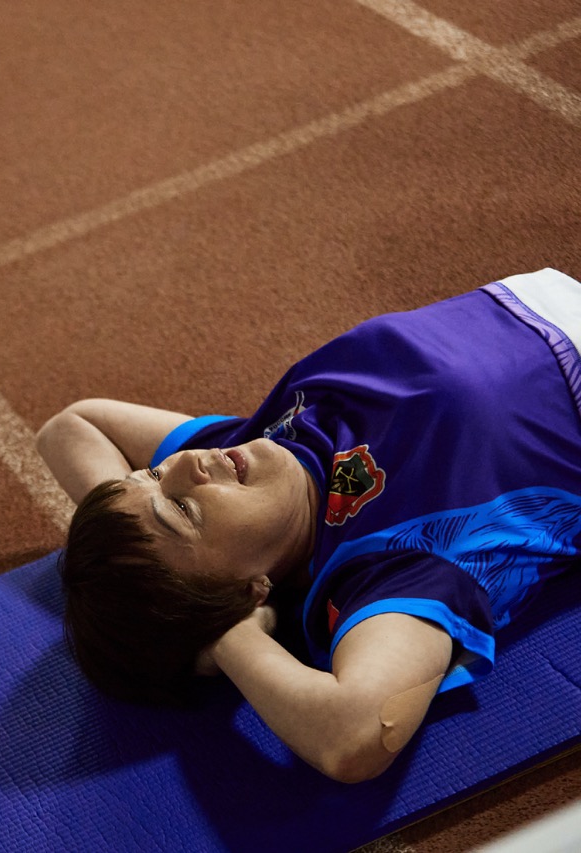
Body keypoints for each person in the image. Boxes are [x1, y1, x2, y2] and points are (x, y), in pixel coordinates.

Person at [36, 268, 581, 784]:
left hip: (528, 300)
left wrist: (119, 524)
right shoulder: (388, 568)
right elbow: (353, 738)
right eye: (182, 511)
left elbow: (70, 426)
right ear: (250, 590)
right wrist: (227, 632)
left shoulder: (249, 451)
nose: (185, 465)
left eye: (151, 475)